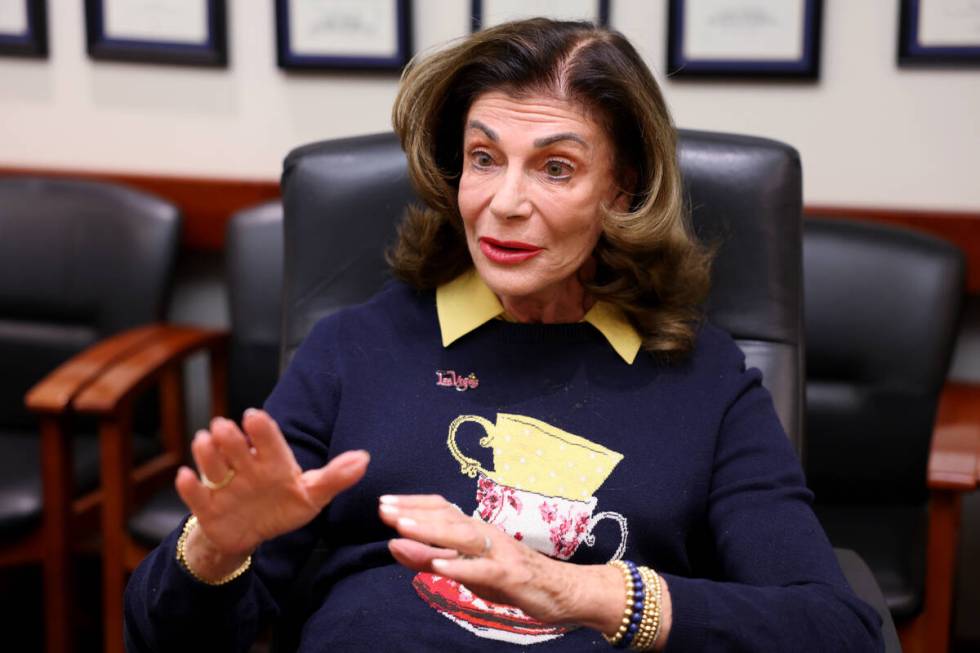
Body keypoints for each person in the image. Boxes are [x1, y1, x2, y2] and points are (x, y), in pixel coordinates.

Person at [125, 18, 884, 652]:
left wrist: (574, 589)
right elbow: (166, 636)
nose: (505, 203)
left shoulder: (703, 378)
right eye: (484, 159)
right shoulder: (355, 349)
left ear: (622, 188)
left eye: (556, 168)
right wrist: (216, 551)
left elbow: (832, 627)